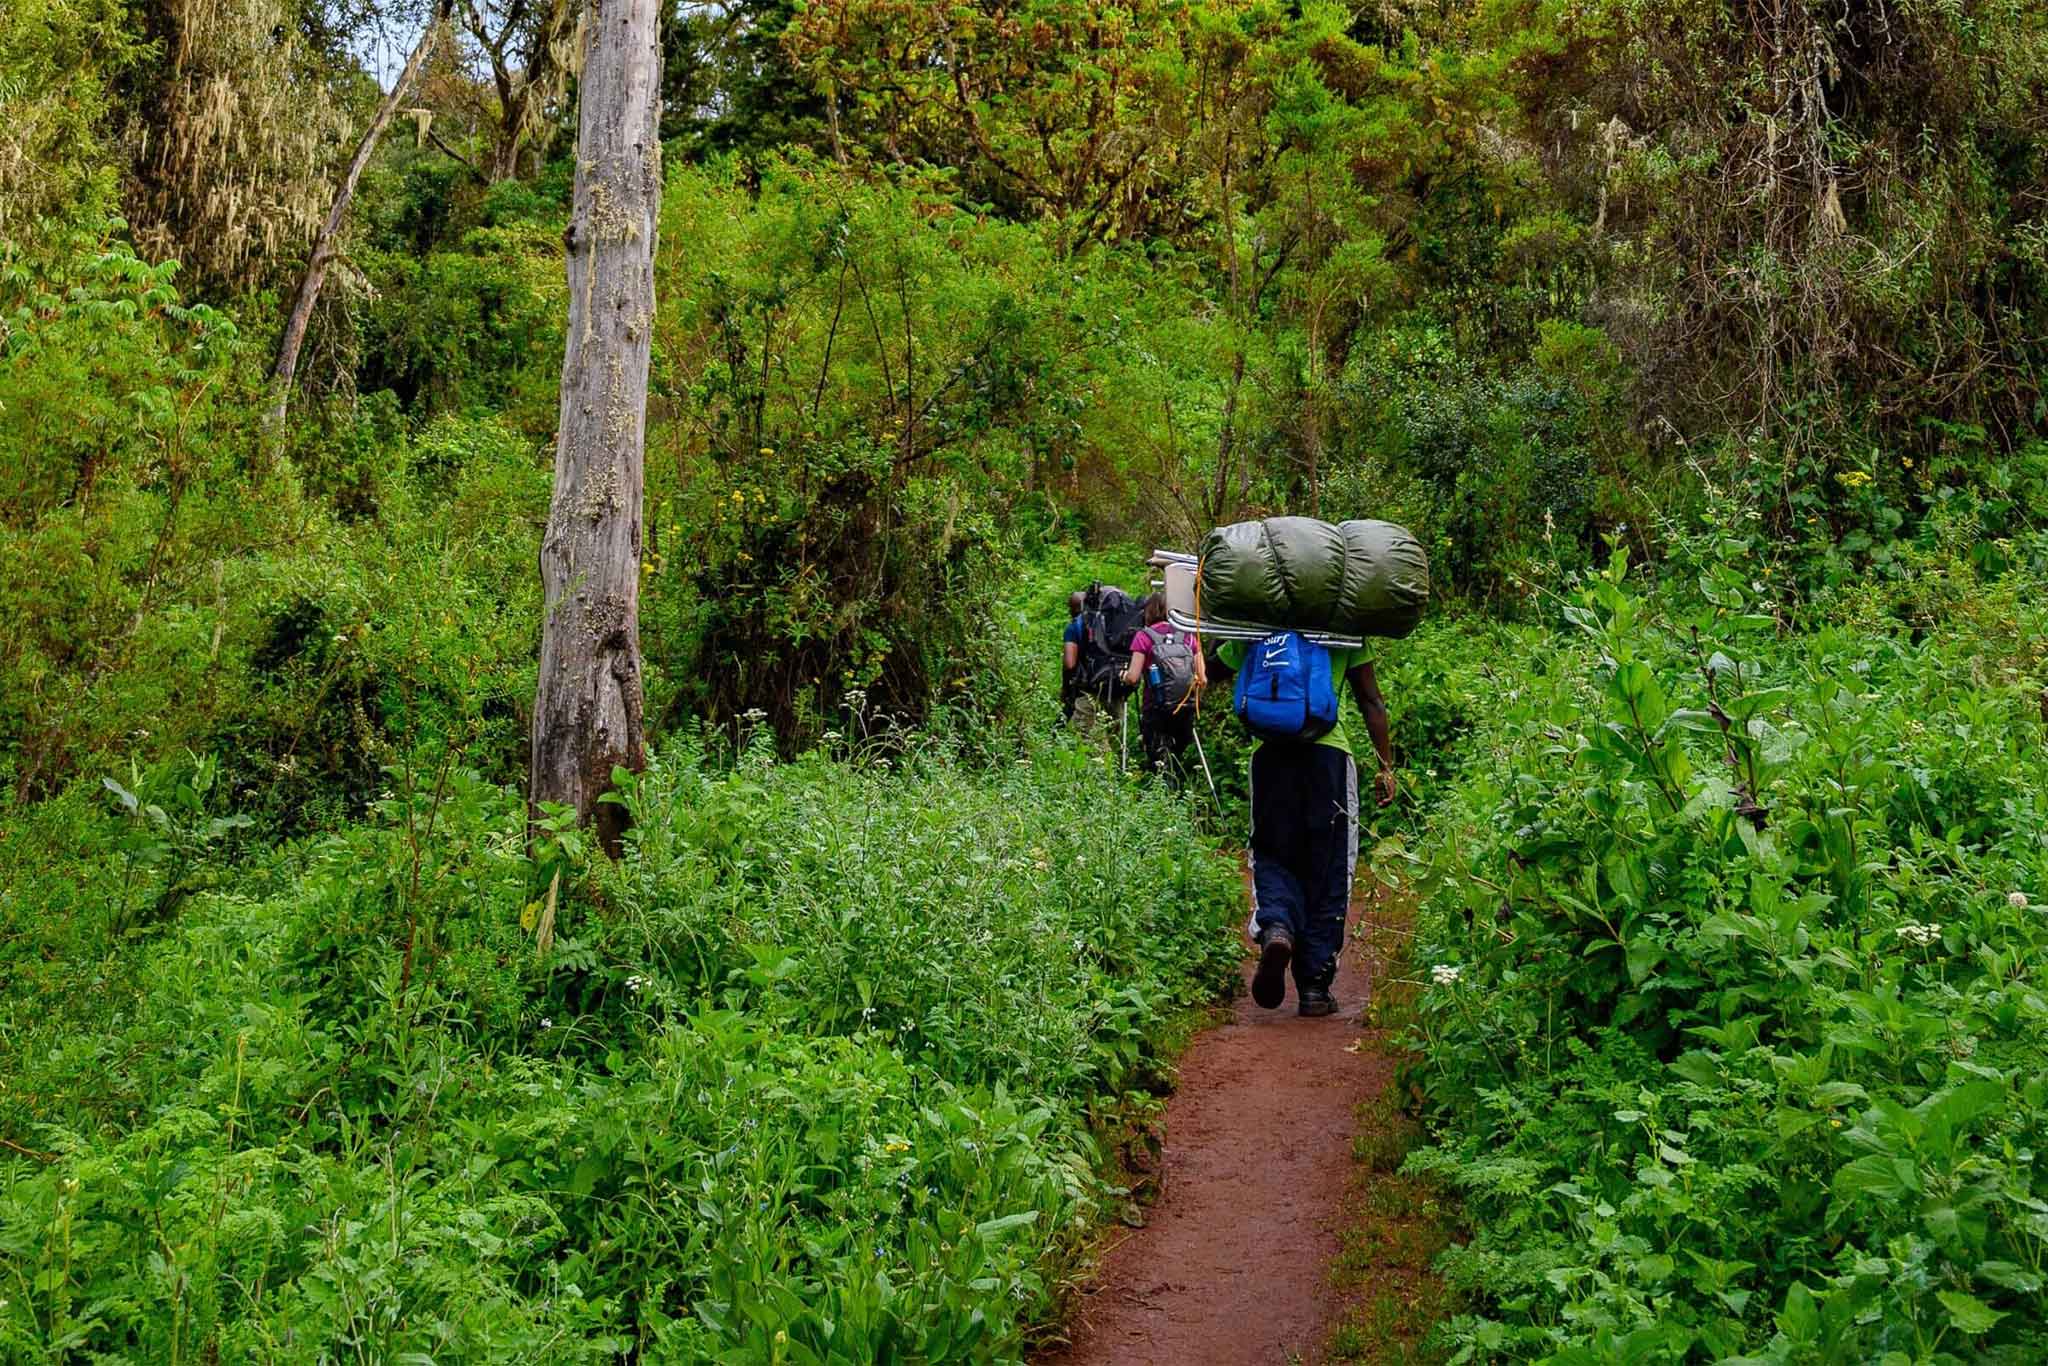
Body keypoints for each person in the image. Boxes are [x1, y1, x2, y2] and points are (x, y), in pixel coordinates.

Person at [1215, 638, 1396, 1017]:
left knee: (1271, 851)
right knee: (1329, 866)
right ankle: (1314, 986)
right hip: (1329, 756)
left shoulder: (1258, 620)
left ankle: (1277, 926)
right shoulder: (1342, 625)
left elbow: (1214, 668)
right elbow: (1370, 699)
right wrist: (1385, 766)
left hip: (1269, 756)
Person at [1121, 594, 1205, 783]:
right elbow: (1203, 679)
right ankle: (1178, 788)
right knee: (1177, 754)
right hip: (1184, 706)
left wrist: (1123, 676)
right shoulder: (1189, 636)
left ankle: (1161, 791)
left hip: (1155, 706)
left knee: (1157, 755)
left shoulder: (1144, 636)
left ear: (1148, 612)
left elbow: (1133, 677)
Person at [1060, 591, 1088, 722]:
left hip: (1085, 685)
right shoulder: (1105, 623)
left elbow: (1070, 664)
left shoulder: (1073, 628)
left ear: (1072, 609)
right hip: (1112, 680)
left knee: (1086, 732)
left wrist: (1065, 688)